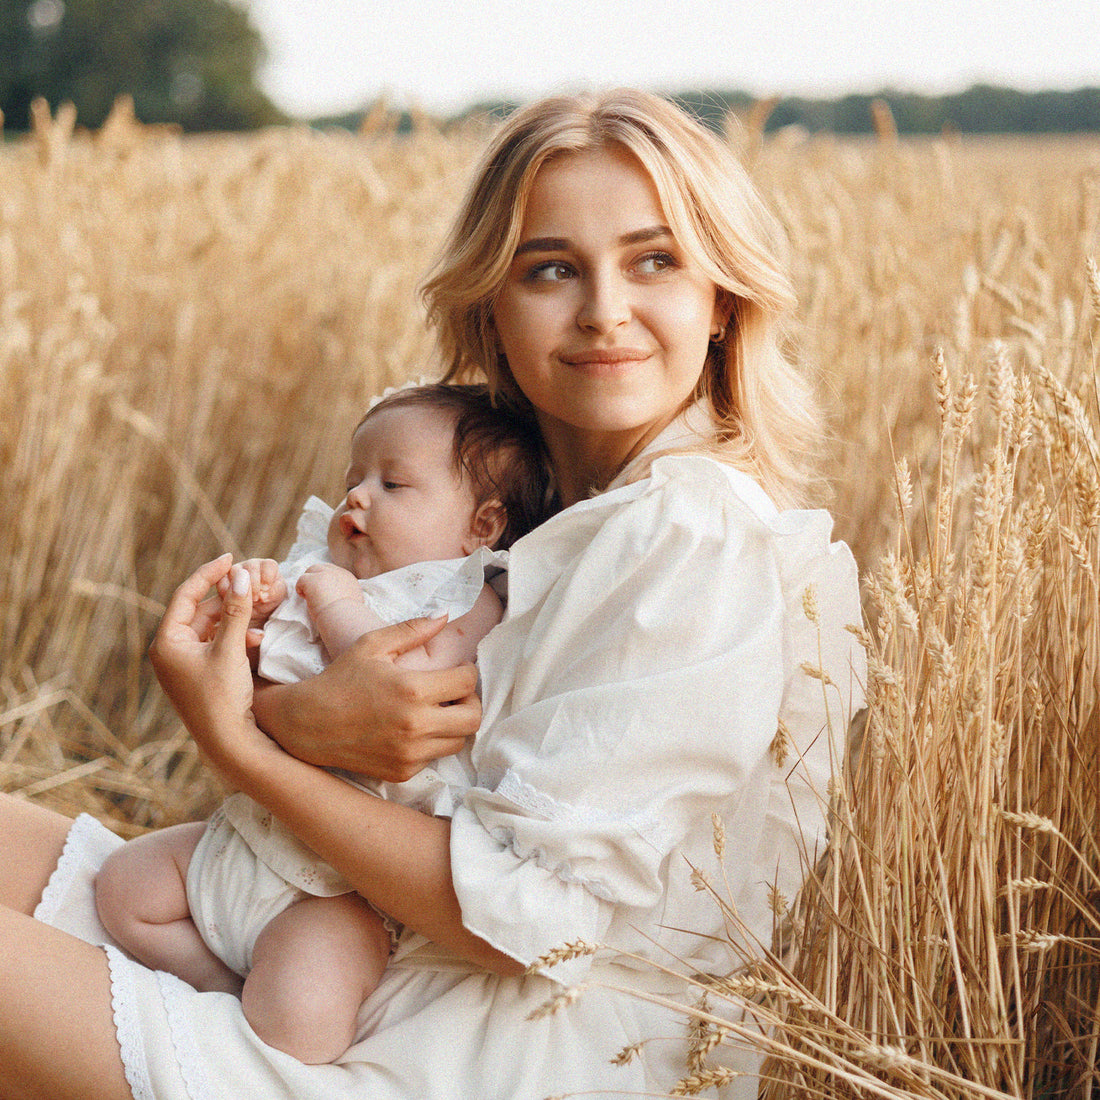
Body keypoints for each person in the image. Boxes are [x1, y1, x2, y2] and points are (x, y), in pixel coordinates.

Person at [0, 89, 865, 1100]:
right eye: (551, 268)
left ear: (719, 300)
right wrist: (290, 711)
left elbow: (528, 919)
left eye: (653, 259)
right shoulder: (505, 498)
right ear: (490, 308)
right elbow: (378, 708)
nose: (602, 309)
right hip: (344, 947)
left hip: (481, 1051)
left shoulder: (688, 534)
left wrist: (240, 742)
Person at [93, 382, 553, 1064]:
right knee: (122, 890)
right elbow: (256, 681)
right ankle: (216, 987)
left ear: (482, 527)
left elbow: (408, 680)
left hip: (340, 887)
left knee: (301, 1022)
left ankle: (253, 1015)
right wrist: (248, 620)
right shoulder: (323, 571)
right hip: (251, 835)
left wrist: (334, 606)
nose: (356, 498)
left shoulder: (470, 599)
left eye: (392, 484)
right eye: (353, 480)